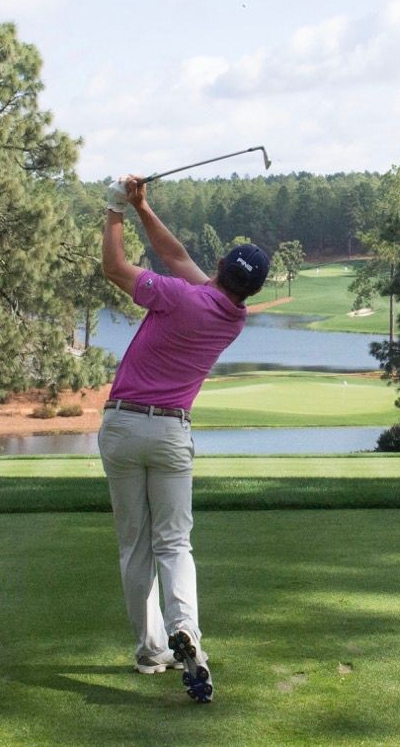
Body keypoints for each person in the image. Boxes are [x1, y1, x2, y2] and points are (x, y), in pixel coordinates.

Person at [98, 175, 270, 704]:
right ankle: (187, 633)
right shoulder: (231, 315)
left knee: (136, 544)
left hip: (124, 426)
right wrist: (143, 207)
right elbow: (176, 256)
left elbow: (114, 268)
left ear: (218, 268)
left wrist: (114, 210)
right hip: (172, 433)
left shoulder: (177, 296)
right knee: (174, 543)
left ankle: (152, 649)